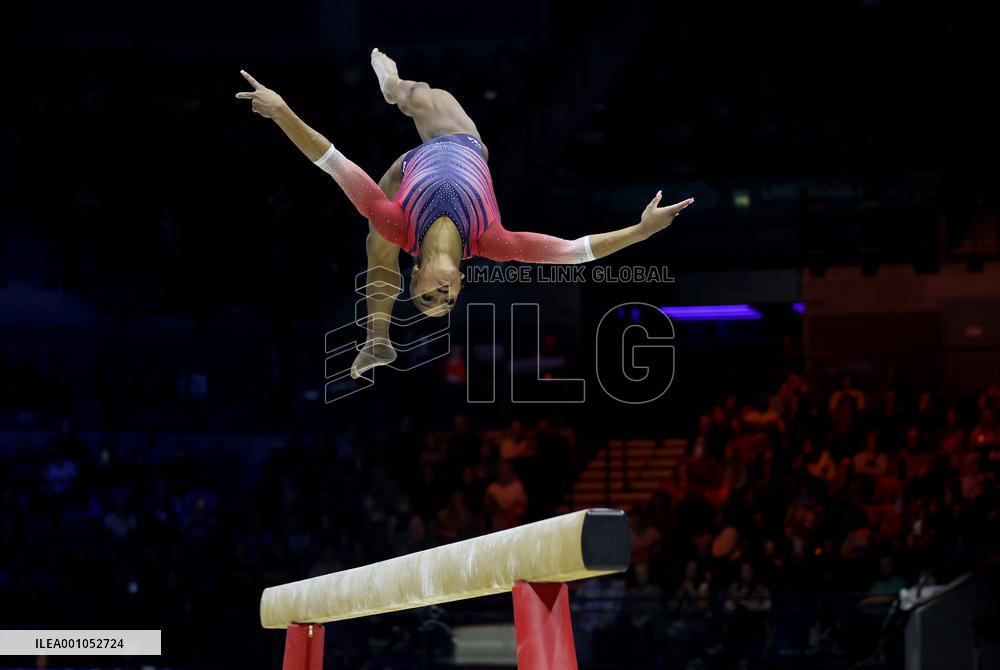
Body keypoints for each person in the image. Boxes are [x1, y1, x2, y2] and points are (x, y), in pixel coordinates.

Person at [236, 49, 694, 378]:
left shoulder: (399, 225)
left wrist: (281, 113)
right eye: (448, 300)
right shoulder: (492, 241)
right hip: (458, 142)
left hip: (408, 177)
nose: (441, 296)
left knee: (382, 217)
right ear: (459, 283)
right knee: (383, 225)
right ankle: (379, 339)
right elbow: (575, 252)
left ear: (416, 276)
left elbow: (332, 160)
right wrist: (641, 231)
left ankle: (391, 85)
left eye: (428, 298)